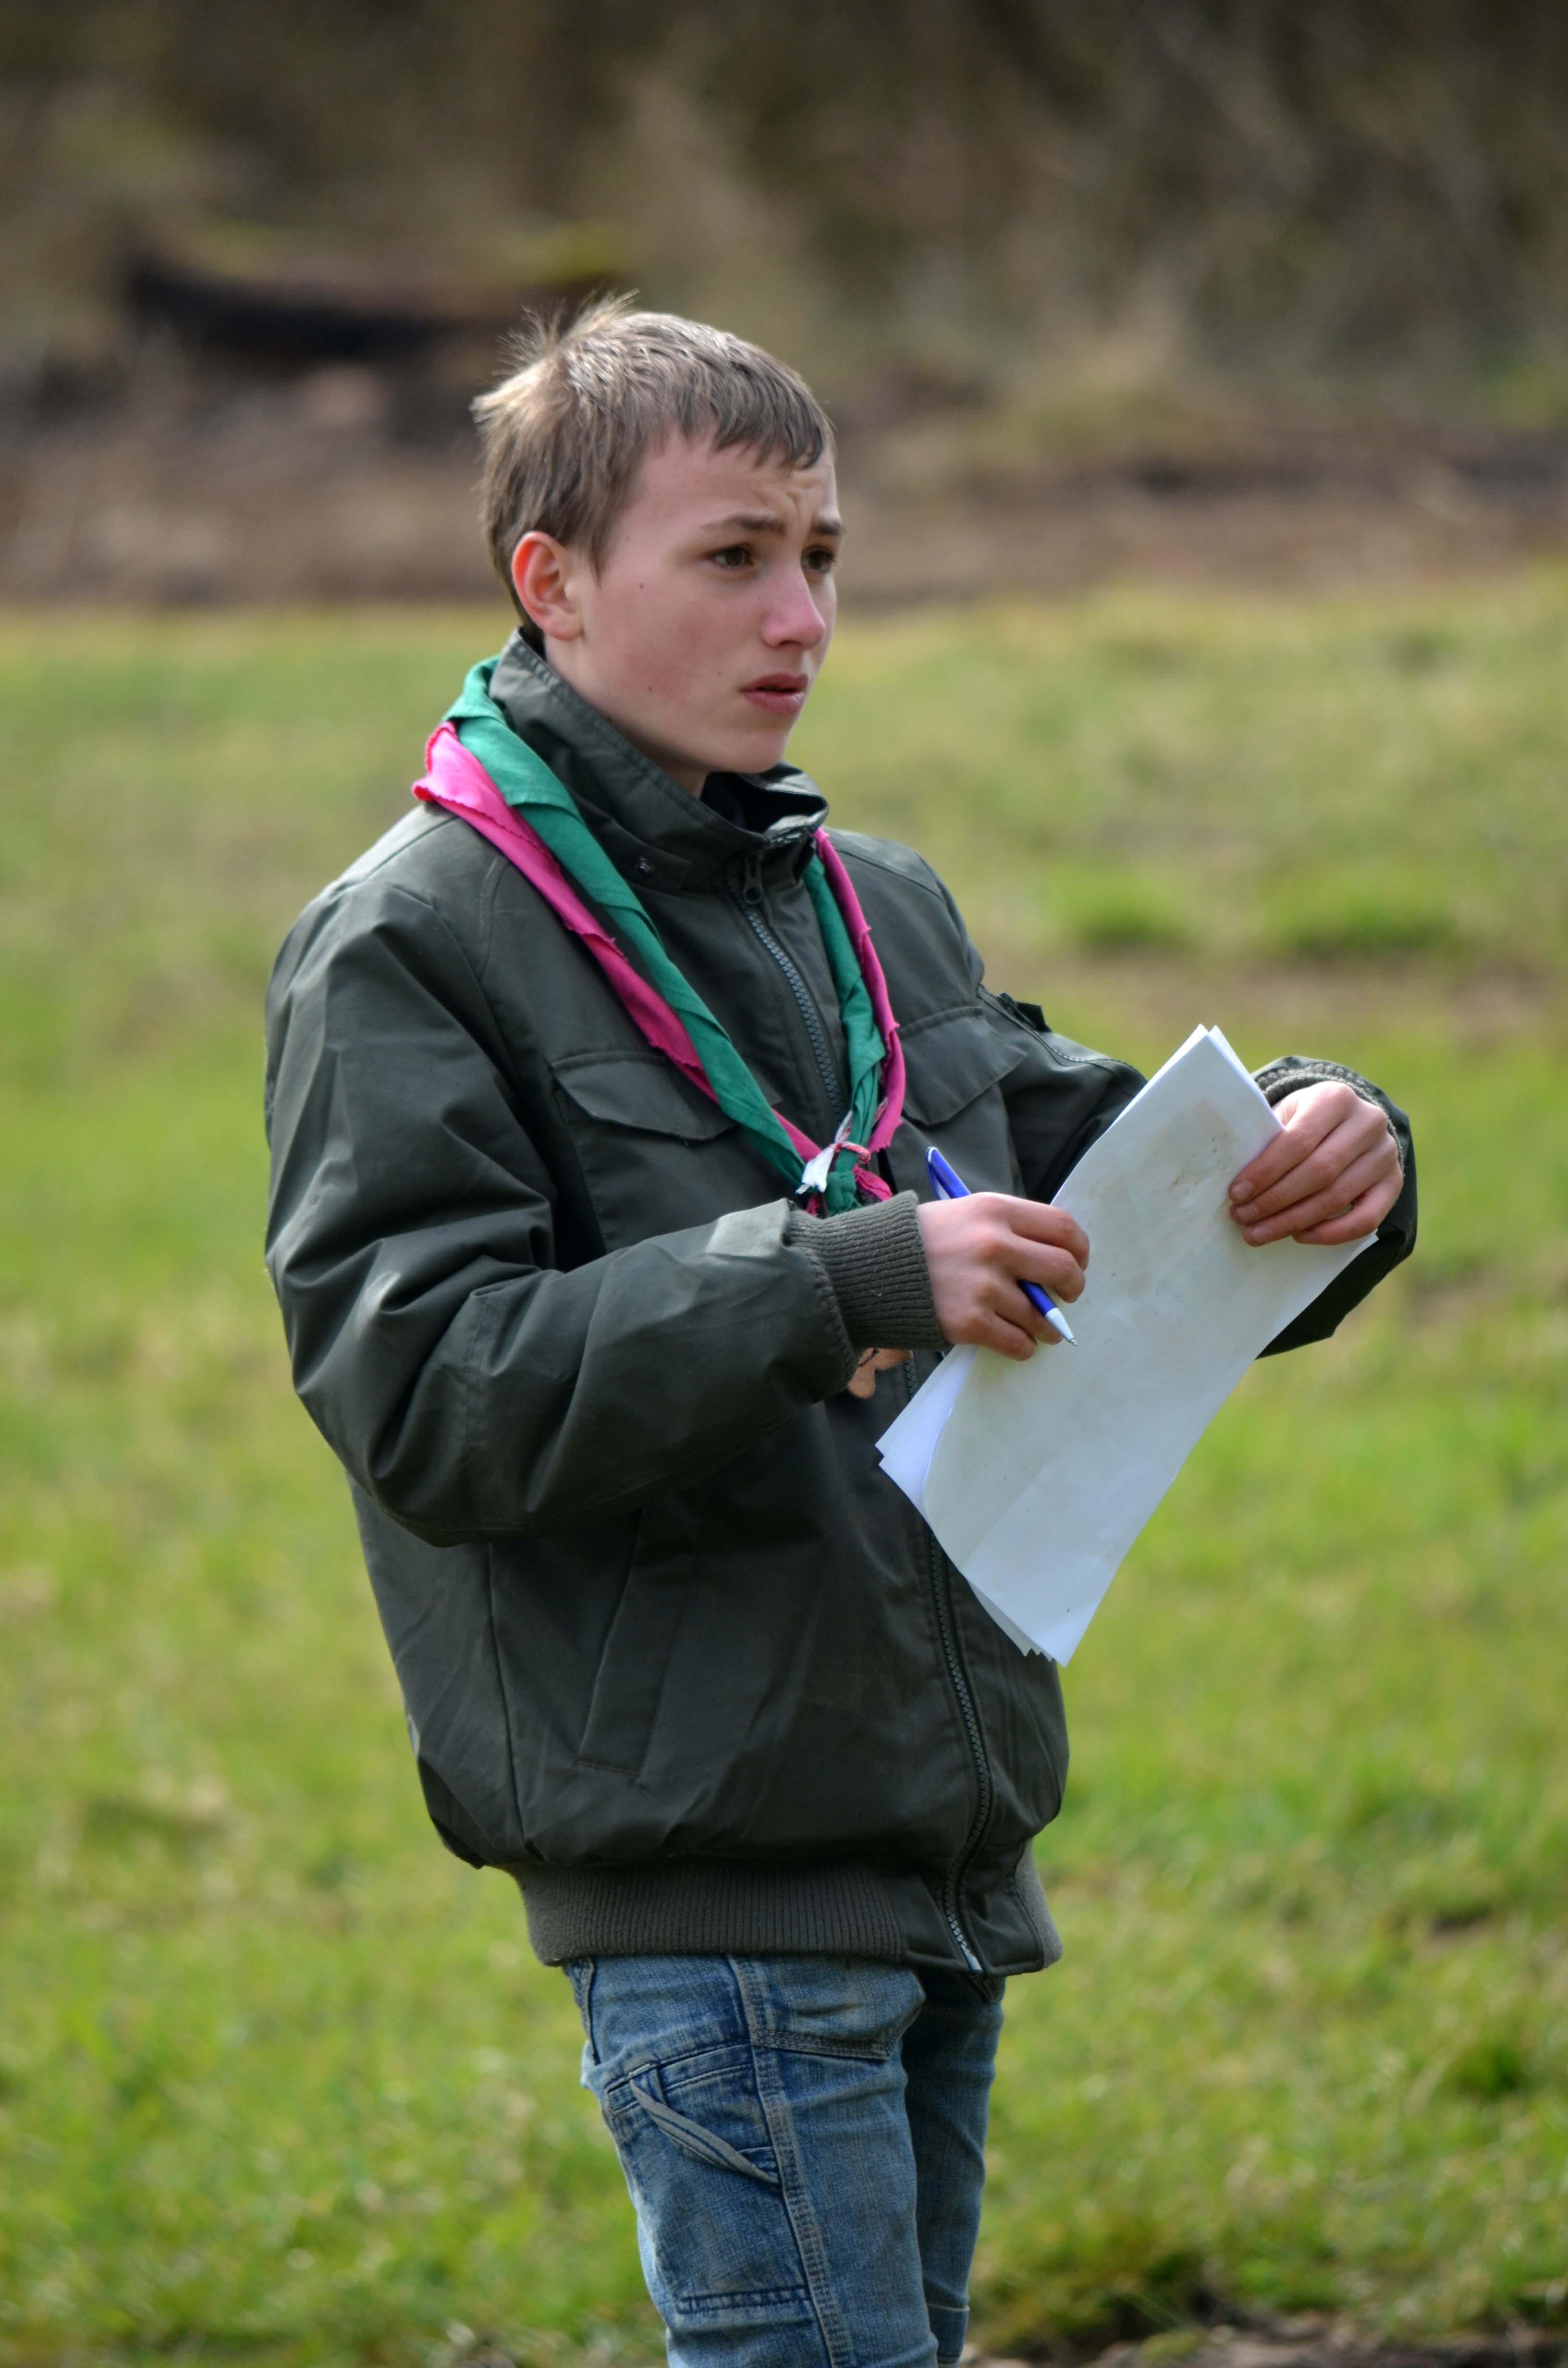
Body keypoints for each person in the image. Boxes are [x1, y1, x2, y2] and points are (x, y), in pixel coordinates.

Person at [264, 300, 1415, 2368]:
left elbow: (1112, 1181)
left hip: (937, 1841)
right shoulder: (409, 942)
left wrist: (1329, 1142)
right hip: (711, 1884)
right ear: (551, 581)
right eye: (732, 557)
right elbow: (428, 1395)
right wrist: (843, 1280)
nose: (800, 617)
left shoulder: (873, 901)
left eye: (820, 555)